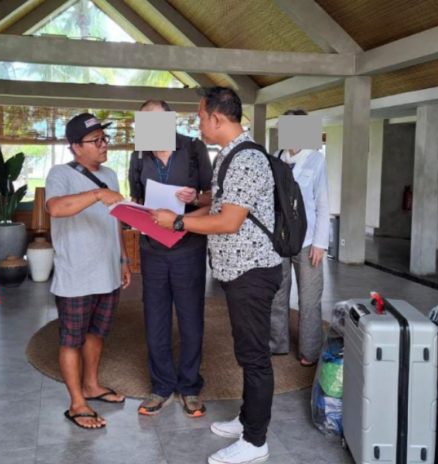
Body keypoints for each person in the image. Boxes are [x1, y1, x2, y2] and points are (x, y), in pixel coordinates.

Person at [153, 87, 281, 464]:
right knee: (246, 350)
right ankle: (247, 419)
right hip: (239, 271)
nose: (198, 124)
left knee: (255, 357)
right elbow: (222, 205)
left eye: (200, 117)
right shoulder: (229, 153)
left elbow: (228, 221)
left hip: (253, 271)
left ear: (217, 118)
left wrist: (178, 222)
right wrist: (190, 205)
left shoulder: (246, 158)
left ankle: (255, 441)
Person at [45, 112, 132, 430]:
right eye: (96, 140)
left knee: (97, 333)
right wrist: (97, 194)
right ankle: (76, 403)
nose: (103, 144)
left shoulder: (110, 174)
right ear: (76, 147)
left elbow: (116, 219)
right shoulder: (60, 174)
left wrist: (123, 259)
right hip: (76, 275)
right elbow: (56, 208)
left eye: (104, 138)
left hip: (107, 271)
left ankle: (92, 385)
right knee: (72, 339)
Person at [128, 100, 212, 417]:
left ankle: (189, 387)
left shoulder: (193, 149)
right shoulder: (139, 155)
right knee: (155, 317)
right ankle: (161, 385)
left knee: (190, 317)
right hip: (152, 247)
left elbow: (213, 196)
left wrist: (195, 197)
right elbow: (136, 197)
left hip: (188, 245)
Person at [270, 109, 329, 366]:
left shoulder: (316, 160)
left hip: (307, 243)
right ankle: (277, 343)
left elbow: (323, 204)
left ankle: (310, 350)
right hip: (280, 240)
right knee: (277, 293)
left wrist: (320, 243)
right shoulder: (276, 158)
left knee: (309, 298)